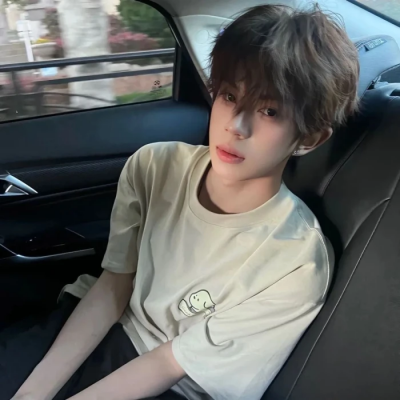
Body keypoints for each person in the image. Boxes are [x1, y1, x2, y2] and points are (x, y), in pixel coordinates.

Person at [2, 4, 359, 400]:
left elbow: (171, 362)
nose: (235, 125)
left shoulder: (296, 262)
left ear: (309, 138)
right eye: (229, 96)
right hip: (99, 323)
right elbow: (113, 285)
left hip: (175, 382)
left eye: (269, 111)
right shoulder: (154, 166)